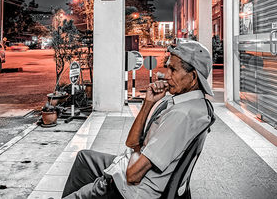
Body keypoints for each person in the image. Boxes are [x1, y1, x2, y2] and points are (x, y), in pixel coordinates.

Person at [62, 40, 214, 199]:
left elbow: (133, 175)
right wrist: (148, 103)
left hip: (129, 189)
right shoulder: (194, 104)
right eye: (167, 67)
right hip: (130, 168)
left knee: (89, 186)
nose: (165, 75)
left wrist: (134, 151)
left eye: (173, 70)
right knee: (84, 158)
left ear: (193, 77)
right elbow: (131, 142)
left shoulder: (182, 115)